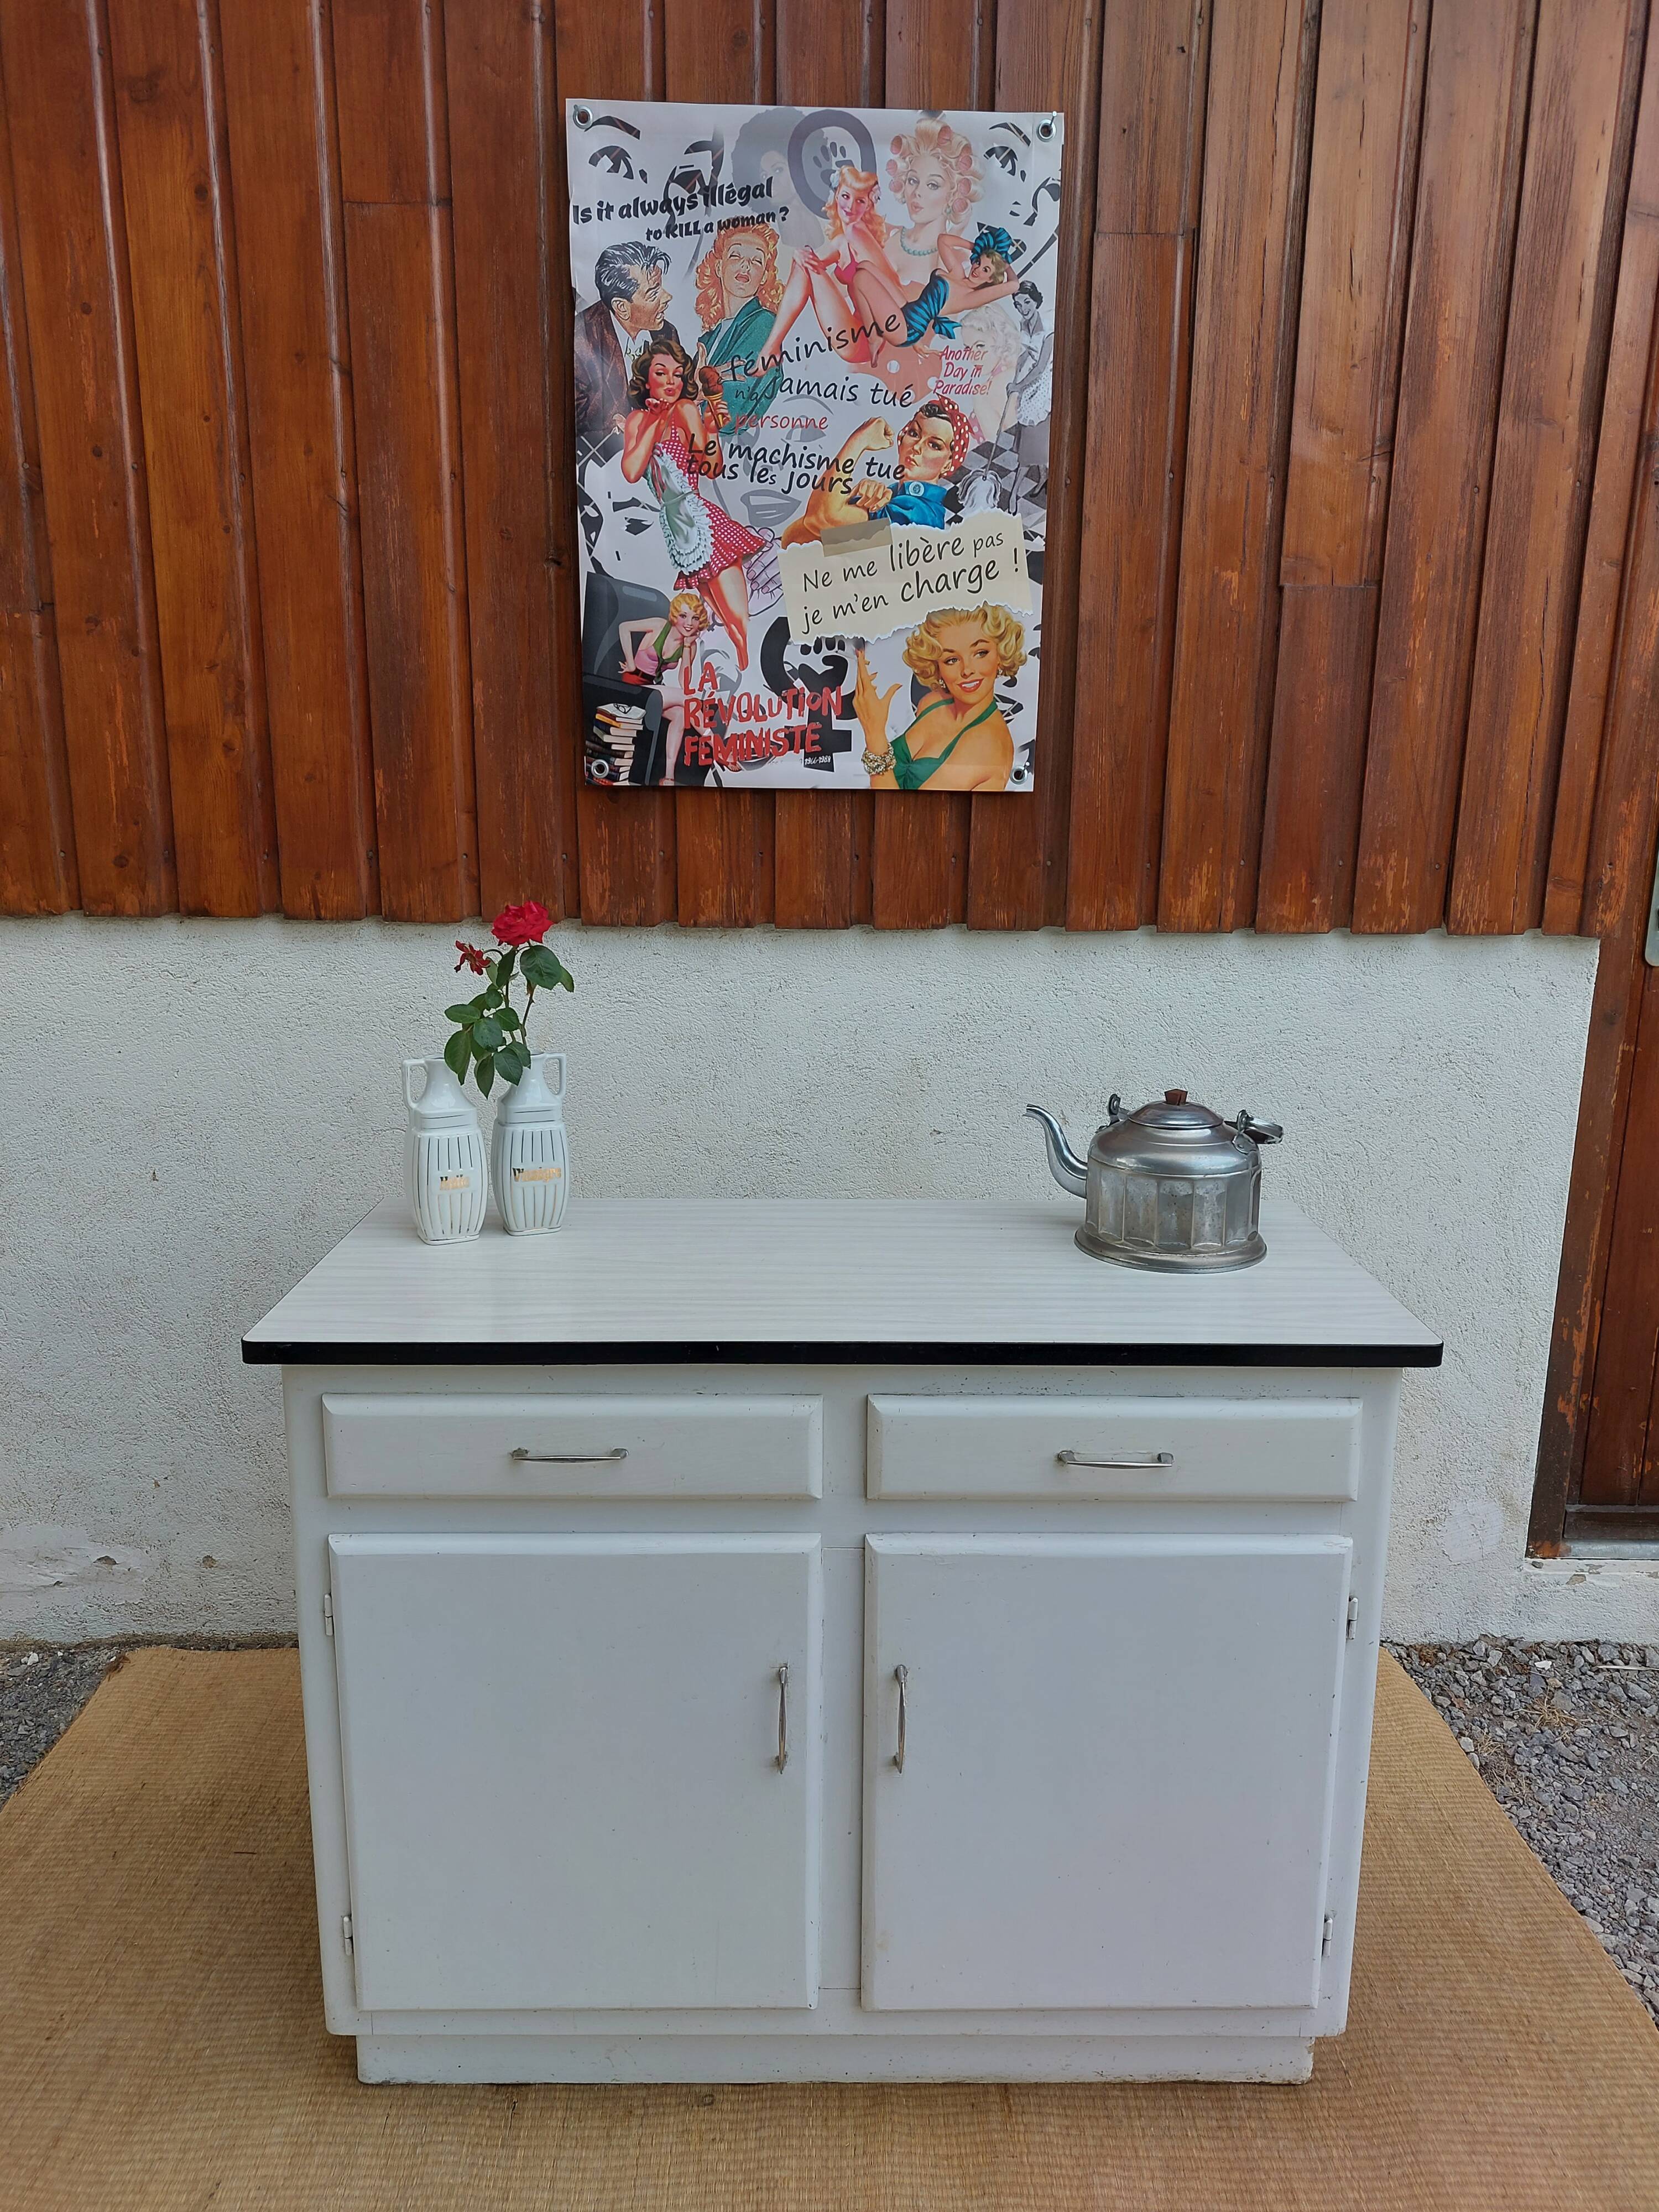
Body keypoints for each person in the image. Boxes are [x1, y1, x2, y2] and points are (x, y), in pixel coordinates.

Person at [619, 335, 768, 671]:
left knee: (739, 623)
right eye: (661, 373)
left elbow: (711, 467)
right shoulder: (637, 421)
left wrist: (712, 430)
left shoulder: (686, 410)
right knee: (724, 623)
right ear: (646, 379)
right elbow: (631, 471)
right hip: (679, 533)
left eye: (677, 374)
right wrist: (656, 421)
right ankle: (738, 678)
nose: (671, 382)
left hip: (705, 525)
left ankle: (750, 676)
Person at [853, 606, 1024, 792]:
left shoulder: (988, 746)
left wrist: (875, 735)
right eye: (952, 660)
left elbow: (902, 808)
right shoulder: (932, 703)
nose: (967, 670)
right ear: (937, 666)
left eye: (980, 653)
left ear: (1000, 654)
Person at [781, 399, 972, 546]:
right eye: (914, 434)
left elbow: (819, 519)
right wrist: (849, 499)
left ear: (948, 464)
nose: (917, 447)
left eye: (934, 445)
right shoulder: (896, 495)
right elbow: (799, 537)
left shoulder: (917, 513)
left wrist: (859, 441)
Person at [574, 242, 682, 461]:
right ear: (622, 308)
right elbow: (577, 421)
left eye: (661, 288)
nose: (667, 297)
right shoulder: (581, 340)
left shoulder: (667, 334)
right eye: (653, 293)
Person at [694, 220, 784, 443]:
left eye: (756, 261)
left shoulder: (764, 325)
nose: (745, 265)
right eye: (736, 256)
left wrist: (693, 396)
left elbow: (727, 418)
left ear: (764, 277)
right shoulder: (710, 338)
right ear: (719, 267)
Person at [618, 593, 709, 784]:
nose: (689, 623)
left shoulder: (689, 646)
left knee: (682, 715)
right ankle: (716, 744)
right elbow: (624, 627)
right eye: (683, 616)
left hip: (652, 691)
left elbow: (685, 683)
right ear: (675, 615)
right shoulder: (659, 626)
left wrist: (687, 647)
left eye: (694, 618)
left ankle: (669, 777)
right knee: (688, 699)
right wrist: (631, 663)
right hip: (631, 689)